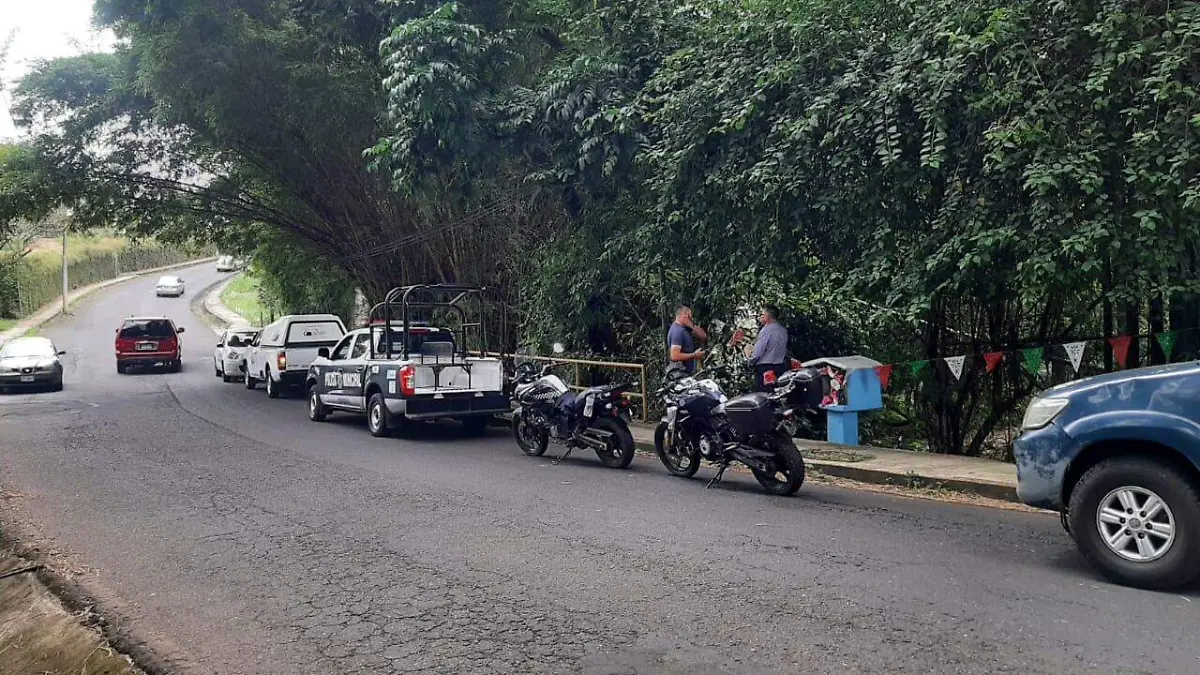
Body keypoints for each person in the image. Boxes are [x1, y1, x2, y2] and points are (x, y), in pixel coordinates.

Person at [732, 305, 789, 391]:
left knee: (765, 396)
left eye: (761, 315)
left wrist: (749, 357)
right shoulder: (783, 330)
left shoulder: (766, 331)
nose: (760, 317)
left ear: (766, 317)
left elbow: (757, 354)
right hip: (781, 366)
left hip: (766, 370)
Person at [666, 305, 708, 374]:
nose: (691, 318)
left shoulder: (686, 328)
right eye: (689, 316)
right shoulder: (677, 331)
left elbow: (703, 336)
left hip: (688, 371)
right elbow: (674, 355)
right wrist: (694, 355)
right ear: (684, 315)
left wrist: (692, 325)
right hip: (680, 372)